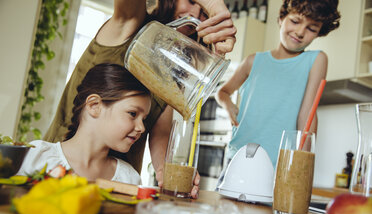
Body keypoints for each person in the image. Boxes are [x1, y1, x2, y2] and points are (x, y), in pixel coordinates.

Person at [43, 0, 236, 191]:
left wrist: (165, 171)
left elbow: (160, 133)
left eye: (204, 13)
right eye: (192, 1)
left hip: (118, 186)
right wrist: (212, 4)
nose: (195, 13)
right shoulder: (129, 25)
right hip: (60, 172)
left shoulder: (177, 70)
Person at [216, 0, 340, 167]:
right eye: (295, 21)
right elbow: (222, 92)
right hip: (239, 154)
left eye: (311, 28)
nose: (300, 32)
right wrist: (229, 105)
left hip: (279, 162)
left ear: (319, 33)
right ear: (282, 18)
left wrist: (302, 163)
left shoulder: (317, 60)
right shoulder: (253, 61)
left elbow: (307, 115)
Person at [18, 64, 151, 185]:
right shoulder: (35, 157)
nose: (141, 128)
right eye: (133, 114)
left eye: (143, 119)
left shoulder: (129, 179)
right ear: (94, 105)